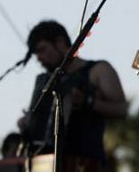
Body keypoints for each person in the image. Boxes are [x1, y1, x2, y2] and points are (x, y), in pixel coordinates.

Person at [17, 20, 128, 171]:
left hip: (85, 164)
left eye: (42, 50)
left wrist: (88, 102)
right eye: (36, 54)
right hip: (45, 164)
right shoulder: (45, 81)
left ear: (60, 42)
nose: (39, 58)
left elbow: (122, 109)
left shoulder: (98, 70)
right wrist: (28, 123)